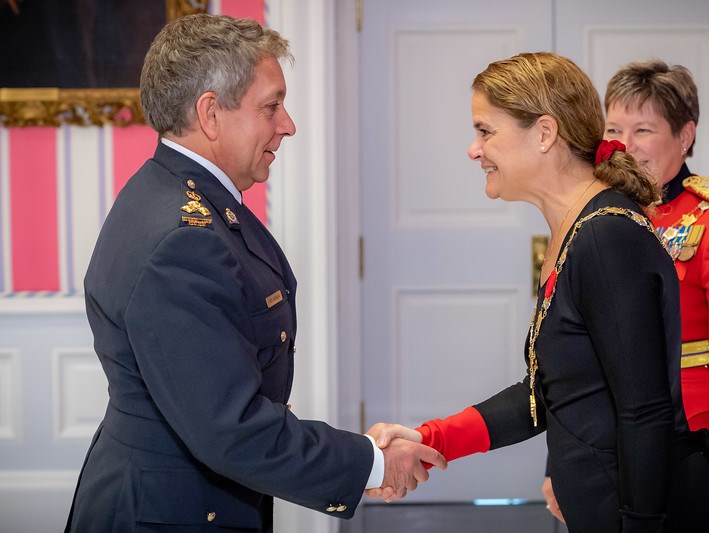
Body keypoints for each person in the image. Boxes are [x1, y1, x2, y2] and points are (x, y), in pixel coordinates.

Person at [63, 14, 445, 532]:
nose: (287, 124)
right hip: (171, 513)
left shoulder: (176, 193)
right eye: (271, 106)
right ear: (211, 114)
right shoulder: (186, 236)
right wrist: (372, 463)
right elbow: (230, 427)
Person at [368, 52, 709, 532]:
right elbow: (547, 394)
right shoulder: (578, 231)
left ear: (545, 133)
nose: (473, 150)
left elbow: (644, 411)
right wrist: (429, 437)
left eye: (485, 130)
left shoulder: (607, 238)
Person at [570, 58, 709, 532]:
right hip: (617, 444)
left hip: (699, 443)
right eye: (614, 127)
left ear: (685, 136)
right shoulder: (601, 217)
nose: (623, 144)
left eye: (643, 129)